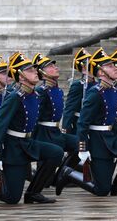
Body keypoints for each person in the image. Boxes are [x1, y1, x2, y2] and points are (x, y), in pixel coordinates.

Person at [55, 48, 117, 197]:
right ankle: (68, 173)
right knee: (102, 190)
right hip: (98, 142)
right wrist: (82, 147)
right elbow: (83, 122)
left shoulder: (114, 90)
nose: (115, 68)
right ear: (101, 72)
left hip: (111, 137)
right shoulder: (95, 92)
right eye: (109, 66)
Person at [0, 52, 64, 204]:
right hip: (14, 148)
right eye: (30, 70)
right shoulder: (15, 97)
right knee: (12, 198)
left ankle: (33, 192)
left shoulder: (33, 94)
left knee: (56, 152)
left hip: (28, 144)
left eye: (35, 69)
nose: (35, 72)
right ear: (20, 76)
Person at [32, 53, 78, 184]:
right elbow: (35, 116)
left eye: (54, 65)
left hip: (55, 132)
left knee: (79, 144)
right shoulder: (41, 91)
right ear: (41, 72)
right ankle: (43, 176)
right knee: (45, 181)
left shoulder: (57, 90)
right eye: (50, 66)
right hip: (44, 133)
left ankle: (62, 174)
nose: (56, 68)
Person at [61, 48, 93, 135]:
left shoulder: (97, 84)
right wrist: (65, 132)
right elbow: (69, 110)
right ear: (83, 67)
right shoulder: (78, 85)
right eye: (90, 62)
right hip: (80, 127)